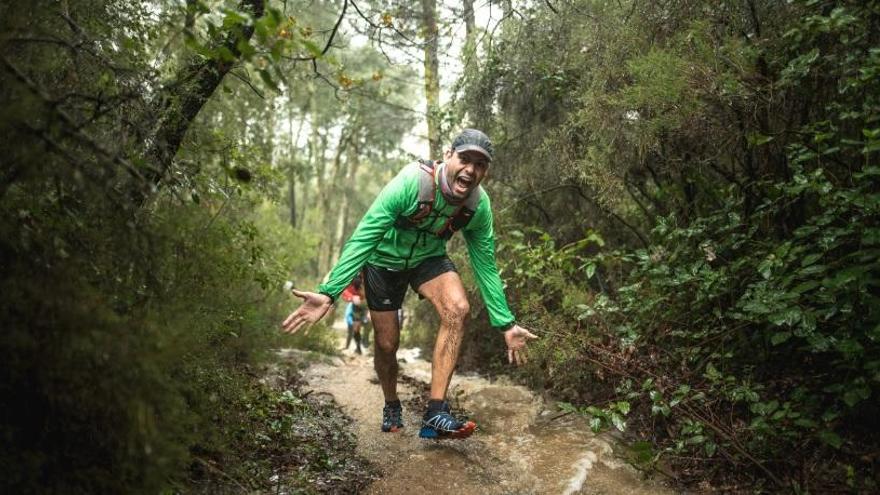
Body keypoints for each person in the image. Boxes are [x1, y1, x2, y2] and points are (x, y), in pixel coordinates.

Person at [282, 129, 538, 440]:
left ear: (486, 171)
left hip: (427, 259)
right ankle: (391, 403)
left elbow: (485, 264)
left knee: (457, 309)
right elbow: (365, 236)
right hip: (382, 261)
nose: (471, 170)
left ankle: (435, 413)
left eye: (480, 165)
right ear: (448, 156)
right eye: (465, 159)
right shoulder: (411, 183)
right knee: (387, 344)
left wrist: (506, 323)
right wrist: (329, 292)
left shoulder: (478, 206)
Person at [342, 278, 369, 354]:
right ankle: (358, 347)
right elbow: (345, 292)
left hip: (368, 307)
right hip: (356, 307)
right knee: (356, 328)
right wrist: (351, 297)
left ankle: (365, 341)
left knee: (369, 323)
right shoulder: (354, 283)